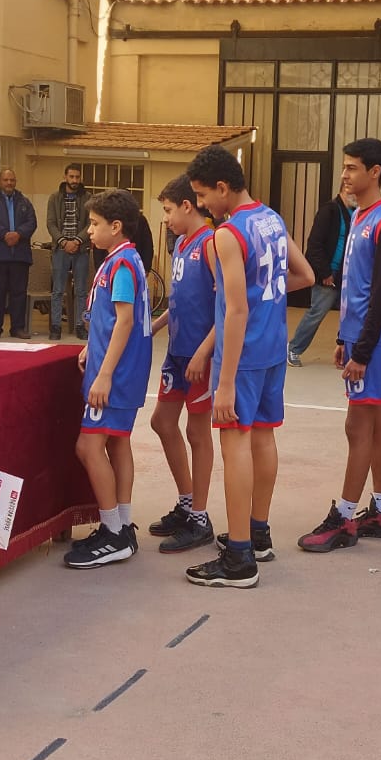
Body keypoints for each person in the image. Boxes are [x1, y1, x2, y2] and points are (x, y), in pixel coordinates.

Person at [183, 146, 313, 588]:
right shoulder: (271, 218)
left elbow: (236, 309)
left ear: (223, 188)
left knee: (235, 443)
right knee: (263, 436)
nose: (201, 204)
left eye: (203, 195)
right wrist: (266, 292)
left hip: (242, 355)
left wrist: (224, 383)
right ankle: (258, 534)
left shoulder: (228, 233)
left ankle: (239, 557)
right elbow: (304, 275)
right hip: (273, 346)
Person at [298, 139, 381, 552]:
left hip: (373, 341)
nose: (344, 175)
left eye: (352, 167)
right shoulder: (359, 214)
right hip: (359, 336)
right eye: (344, 167)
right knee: (375, 423)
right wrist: (345, 338)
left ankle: (344, 519)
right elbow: (355, 286)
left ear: (374, 172)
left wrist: (362, 351)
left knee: (357, 426)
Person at [66, 189, 155, 569]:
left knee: (88, 448)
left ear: (115, 227)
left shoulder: (121, 265)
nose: (89, 231)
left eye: (94, 223)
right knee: (118, 443)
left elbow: (124, 320)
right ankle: (122, 523)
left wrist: (103, 375)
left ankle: (113, 532)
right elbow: (110, 319)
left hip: (115, 375)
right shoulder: (126, 259)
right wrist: (92, 345)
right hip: (121, 370)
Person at [147, 174, 218, 555]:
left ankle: (200, 518)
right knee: (162, 422)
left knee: (197, 432)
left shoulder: (211, 243)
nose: (165, 218)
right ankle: (187, 502)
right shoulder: (182, 243)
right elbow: (179, 299)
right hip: (177, 352)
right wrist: (154, 326)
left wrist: (205, 351)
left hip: (198, 356)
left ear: (188, 206)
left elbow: (229, 305)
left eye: (168, 210)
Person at [287, 190, 352, 366]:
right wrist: (325, 272)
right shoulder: (329, 210)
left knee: (349, 314)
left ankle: (346, 352)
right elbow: (315, 244)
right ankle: (293, 348)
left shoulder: (355, 212)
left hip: (347, 274)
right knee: (317, 312)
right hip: (329, 274)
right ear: (344, 190)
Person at [0, 169, 36, 339]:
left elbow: (32, 222)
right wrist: (4, 234)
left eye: (12, 180)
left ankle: (17, 328)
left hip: (20, 256)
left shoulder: (24, 202)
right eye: (6, 180)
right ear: (0, 181)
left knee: (19, 293)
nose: (9, 183)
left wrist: (18, 234)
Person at [47, 163, 92, 340]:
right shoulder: (54, 198)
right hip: (60, 249)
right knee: (58, 290)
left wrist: (78, 240)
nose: (74, 180)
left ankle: (80, 326)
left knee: (81, 290)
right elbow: (50, 223)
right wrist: (63, 241)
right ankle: (56, 326)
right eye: (71, 176)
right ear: (65, 177)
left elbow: (91, 223)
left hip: (81, 249)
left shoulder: (88, 198)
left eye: (77, 177)